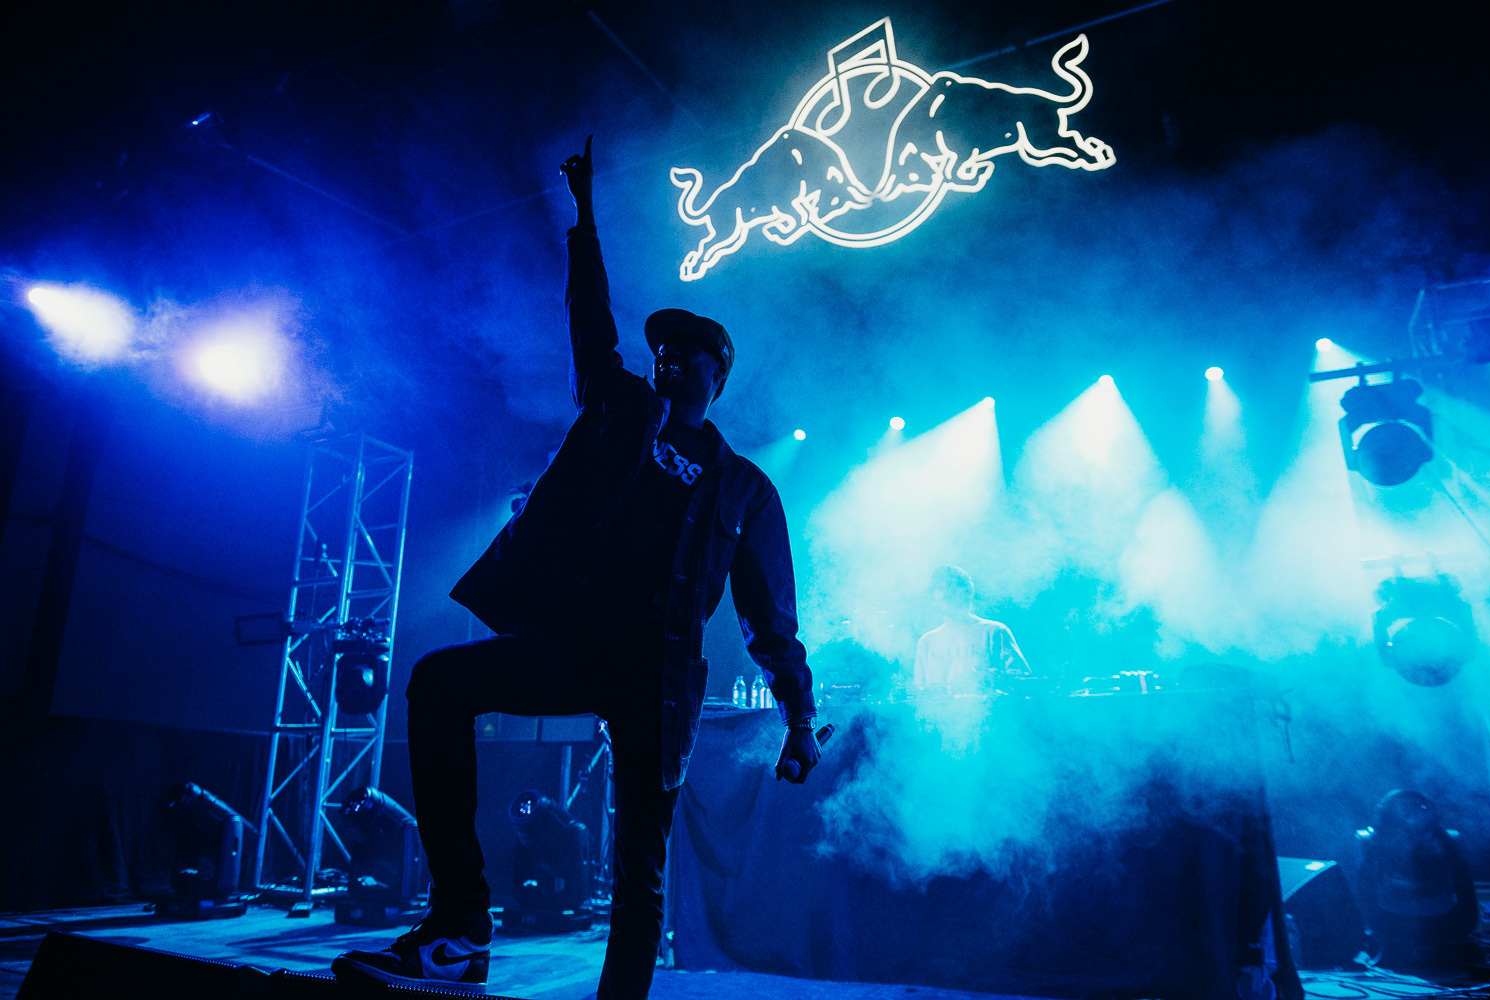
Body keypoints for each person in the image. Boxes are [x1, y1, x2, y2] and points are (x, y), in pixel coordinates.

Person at [333, 136, 821, 997]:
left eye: (688, 352)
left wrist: (799, 720)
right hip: (578, 646)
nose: (668, 358)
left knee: (639, 869)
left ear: (719, 373)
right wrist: (586, 219)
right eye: (661, 349)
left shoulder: (745, 489)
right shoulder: (622, 407)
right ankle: (458, 934)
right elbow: (590, 322)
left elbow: (770, 621)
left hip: (659, 683)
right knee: (438, 683)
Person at [912, 564, 1030, 696]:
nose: (945, 593)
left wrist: (989, 679)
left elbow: (1023, 681)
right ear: (933, 597)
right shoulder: (927, 642)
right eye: (939, 588)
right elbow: (919, 693)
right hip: (939, 715)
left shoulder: (994, 632)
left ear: (967, 591)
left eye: (951, 586)